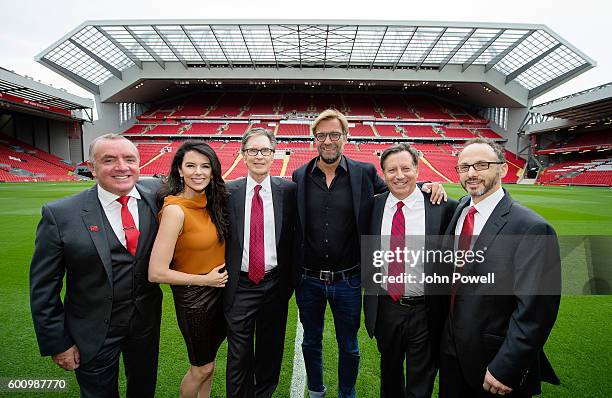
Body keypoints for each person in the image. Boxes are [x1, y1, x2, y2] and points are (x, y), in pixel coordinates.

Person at [292, 109, 446, 398]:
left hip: (349, 280)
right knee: (311, 341)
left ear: (345, 137)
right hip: (309, 280)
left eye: (334, 134)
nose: (328, 140)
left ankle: (346, 393)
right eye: (322, 135)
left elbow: (398, 187)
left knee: (349, 344)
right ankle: (315, 389)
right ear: (314, 139)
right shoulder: (299, 175)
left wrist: (427, 185)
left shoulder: (364, 173)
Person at [30, 133, 163, 397]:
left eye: (129, 159)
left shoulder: (157, 195)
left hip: (145, 325)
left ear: (139, 164)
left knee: (144, 389)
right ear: (91, 168)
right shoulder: (60, 215)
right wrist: (58, 342)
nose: (122, 167)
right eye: (109, 160)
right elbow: (43, 288)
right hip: (91, 330)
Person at [439, 137, 561, 397]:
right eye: (464, 167)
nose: (471, 173)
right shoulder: (460, 209)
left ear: (503, 169)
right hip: (451, 354)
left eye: (481, 165)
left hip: (493, 364)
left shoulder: (531, 228)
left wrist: (506, 366)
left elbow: (536, 311)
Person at [363, 143, 457, 398]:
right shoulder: (373, 206)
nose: (399, 175)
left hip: (426, 310)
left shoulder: (442, 206)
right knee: (389, 375)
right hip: (386, 306)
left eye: (406, 168)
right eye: (391, 170)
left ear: (417, 169)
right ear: (383, 174)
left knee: (421, 381)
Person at [148, 140, 229, 398]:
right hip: (195, 300)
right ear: (179, 170)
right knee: (200, 368)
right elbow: (156, 272)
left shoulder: (210, 203)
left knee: (209, 366)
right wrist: (204, 281)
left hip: (219, 295)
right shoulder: (175, 210)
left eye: (205, 166)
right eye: (191, 165)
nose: (199, 172)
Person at [224, 128, 297, 398]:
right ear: (243, 155)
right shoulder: (228, 191)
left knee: (270, 350)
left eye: (265, 150)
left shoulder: (288, 190)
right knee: (238, 354)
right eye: (253, 150)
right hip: (240, 284)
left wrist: (423, 186)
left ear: (273, 155)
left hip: (274, 285)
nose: (259, 156)